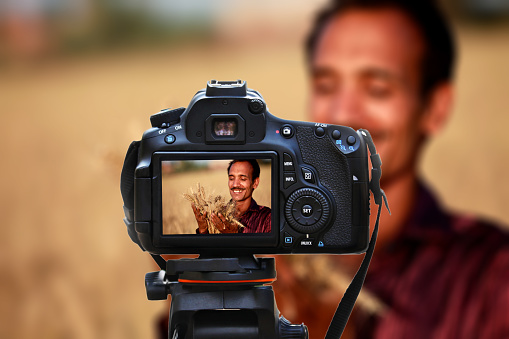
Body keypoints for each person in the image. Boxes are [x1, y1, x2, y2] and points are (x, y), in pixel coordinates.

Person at [272, 0, 509, 338]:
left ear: (434, 108)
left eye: (377, 89)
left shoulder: (491, 276)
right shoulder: (268, 259)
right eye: (325, 86)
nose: (342, 113)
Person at [192, 159, 271, 234]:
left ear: (255, 183)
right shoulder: (217, 215)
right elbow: (206, 248)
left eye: (243, 179)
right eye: (231, 178)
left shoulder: (267, 218)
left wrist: (232, 237)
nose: (235, 184)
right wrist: (203, 229)